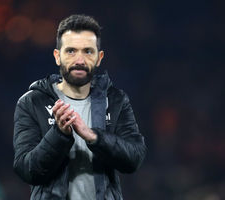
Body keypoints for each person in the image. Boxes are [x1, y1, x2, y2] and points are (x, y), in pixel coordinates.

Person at [13, 14, 146, 200]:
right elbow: (27, 170)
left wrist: (94, 137)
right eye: (71, 51)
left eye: (88, 51)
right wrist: (59, 134)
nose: (80, 60)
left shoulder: (115, 100)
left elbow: (134, 159)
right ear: (57, 56)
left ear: (99, 58)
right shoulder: (32, 102)